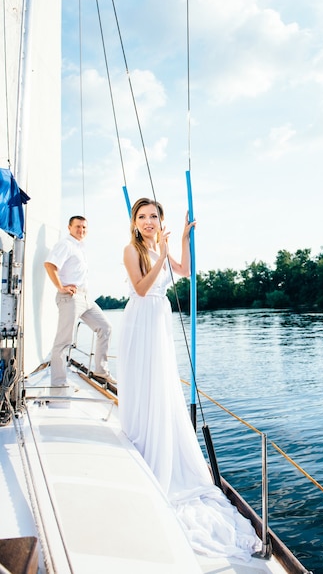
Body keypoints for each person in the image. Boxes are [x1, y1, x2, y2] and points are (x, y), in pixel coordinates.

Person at [117, 198, 261, 560]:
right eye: (142, 217)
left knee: (163, 384)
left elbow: (184, 271)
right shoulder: (132, 250)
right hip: (140, 319)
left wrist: (180, 239)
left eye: (154, 217)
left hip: (159, 320)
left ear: (160, 220)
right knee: (144, 382)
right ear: (134, 222)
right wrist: (162, 254)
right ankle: (142, 440)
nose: (148, 222)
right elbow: (140, 288)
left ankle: (161, 437)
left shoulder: (159, 245)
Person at [44, 215, 115, 387]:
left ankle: (101, 371)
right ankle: (59, 383)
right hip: (71, 298)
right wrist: (61, 287)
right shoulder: (65, 244)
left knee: (105, 328)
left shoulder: (80, 247)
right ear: (69, 227)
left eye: (84, 227)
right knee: (64, 341)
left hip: (85, 297)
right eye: (77, 227)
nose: (81, 230)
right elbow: (49, 264)